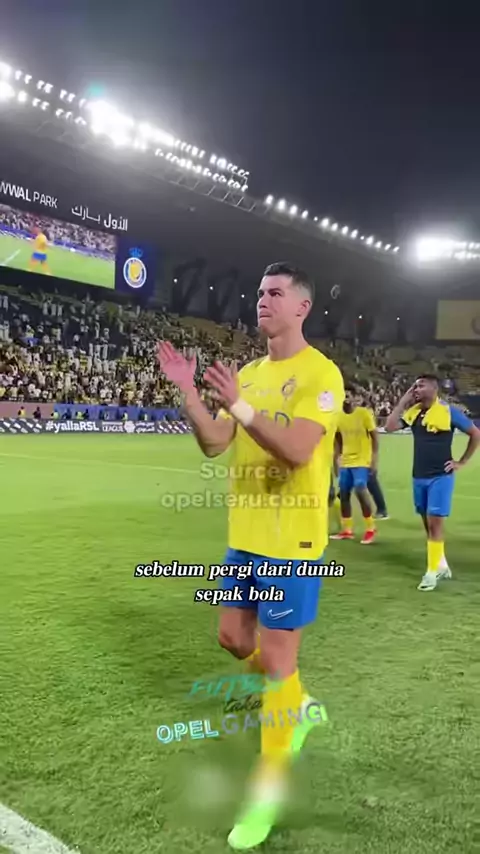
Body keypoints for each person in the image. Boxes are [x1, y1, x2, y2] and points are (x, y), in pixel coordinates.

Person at [157, 261, 345, 850]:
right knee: (235, 640)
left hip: (292, 544)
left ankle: (265, 797)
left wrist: (240, 407)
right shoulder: (250, 374)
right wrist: (191, 392)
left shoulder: (321, 373)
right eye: (260, 293)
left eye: (276, 293)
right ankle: (299, 704)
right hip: (245, 536)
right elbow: (216, 442)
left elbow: (297, 449)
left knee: (279, 667)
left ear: (302, 307)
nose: (263, 300)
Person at [386, 374, 480, 590]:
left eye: (420, 385)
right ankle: (442, 564)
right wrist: (403, 401)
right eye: (414, 386)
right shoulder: (414, 412)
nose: (416, 389)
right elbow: (390, 427)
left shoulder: (448, 412)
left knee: (435, 523)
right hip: (418, 475)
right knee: (427, 523)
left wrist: (461, 462)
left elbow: (475, 434)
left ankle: (431, 572)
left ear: (433, 388)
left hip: (440, 476)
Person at [331, 385, 378, 544]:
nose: (345, 399)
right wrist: (336, 459)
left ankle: (370, 528)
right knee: (344, 494)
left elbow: (375, 437)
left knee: (360, 488)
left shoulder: (363, 414)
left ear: (354, 398)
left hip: (362, 459)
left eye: (348, 396)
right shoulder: (337, 416)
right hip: (346, 461)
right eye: (343, 396)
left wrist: (374, 459)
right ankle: (347, 530)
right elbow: (338, 441)